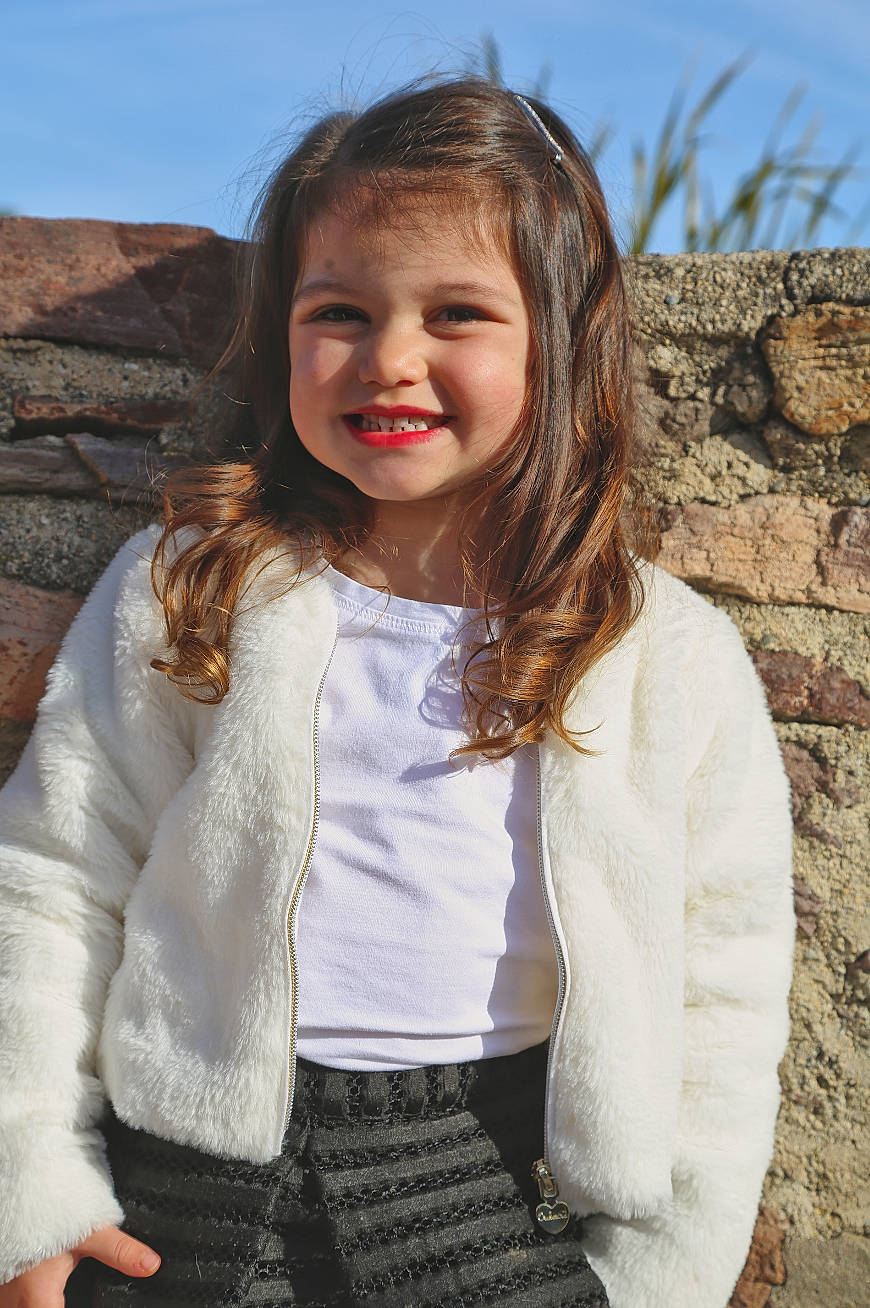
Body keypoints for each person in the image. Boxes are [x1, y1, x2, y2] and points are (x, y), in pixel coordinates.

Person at [0, 77, 795, 1308]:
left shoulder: (660, 655)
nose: (391, 360)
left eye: (459, 312)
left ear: (564, 341)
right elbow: (54, 879)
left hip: (483, 1194)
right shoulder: (193, 588)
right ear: (281, 337)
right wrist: (30, 1193)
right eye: (340, 311)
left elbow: (724, 988)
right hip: (182, 1209)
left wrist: (663, 1274)